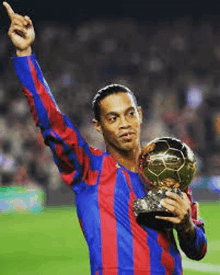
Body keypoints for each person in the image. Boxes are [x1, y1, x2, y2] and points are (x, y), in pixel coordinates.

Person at [3, 2, 207, 274]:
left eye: (129, 114)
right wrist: (25, 53)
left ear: (140, 115)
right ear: (98, 126)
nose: (124, 124)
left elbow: (198, 250)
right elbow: (51, 121)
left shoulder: (168, 172)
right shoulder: (88, 169)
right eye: (112, 118)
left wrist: (186, 226)